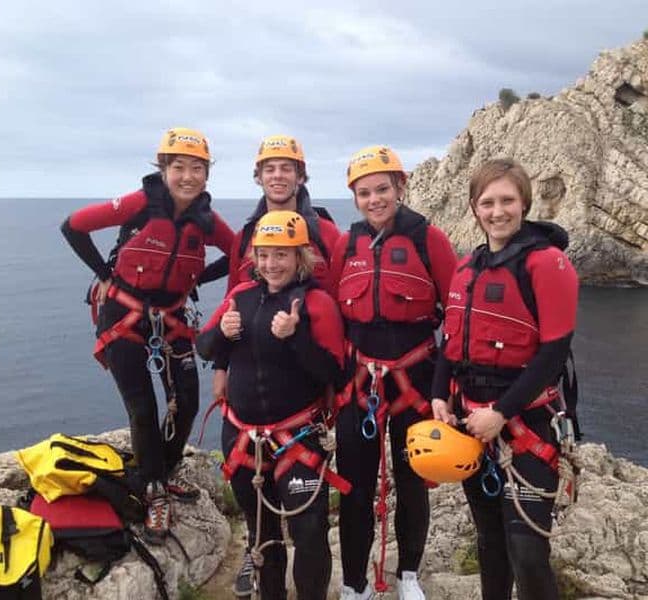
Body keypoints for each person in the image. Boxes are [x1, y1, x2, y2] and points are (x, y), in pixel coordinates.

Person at [60, 127, 235, 542]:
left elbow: (240, 253)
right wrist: (103, 273)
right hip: (123, 314)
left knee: (188, 402)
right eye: (178, 167)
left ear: (207, 175)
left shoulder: (206, 220)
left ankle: (161, 469)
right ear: (163, 168)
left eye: (197, 168)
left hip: (171, 319)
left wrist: (197, 279)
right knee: (141, 406)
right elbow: (73, 226)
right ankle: (153, 490)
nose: (188, 176)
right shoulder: (140, 204)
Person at [430, 158, 579, 600]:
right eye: (487, 202)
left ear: (525, 203)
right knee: (490, 542)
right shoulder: (465, 269)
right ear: (475, 208)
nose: (498, 211)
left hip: (527, 425)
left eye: (507, 201)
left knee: (528, 550)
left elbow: (553, 354)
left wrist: (501, 413)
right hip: (472, 426)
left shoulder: (548, 265)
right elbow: (450, 343)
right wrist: (439, 396)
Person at [211, 135, 341, 596]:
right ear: (260, 175)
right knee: (260, 521)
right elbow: (232, 304)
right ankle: (259, 564)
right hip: (249, 407)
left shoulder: (323, 230)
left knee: (307, 531)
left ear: (300, 175)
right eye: (270, 168)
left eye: (287, 168)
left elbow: (338, 298)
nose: (279, 175)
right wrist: (222, 367)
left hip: (300, 403)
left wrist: (307, 343)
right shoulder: (248, 234)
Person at [329, 146, 457, 600]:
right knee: (355, 487)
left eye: (382, 189)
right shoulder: (347, 245)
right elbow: (328, 314)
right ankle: (354, 583)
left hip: (416, 381)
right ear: (355, 198)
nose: (374, 199)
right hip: (361, 384)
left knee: (412, 481)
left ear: (400, 188)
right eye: (364, 193)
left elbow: (456, 314)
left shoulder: (429, 240)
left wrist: (448, 387)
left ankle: (408, 575)